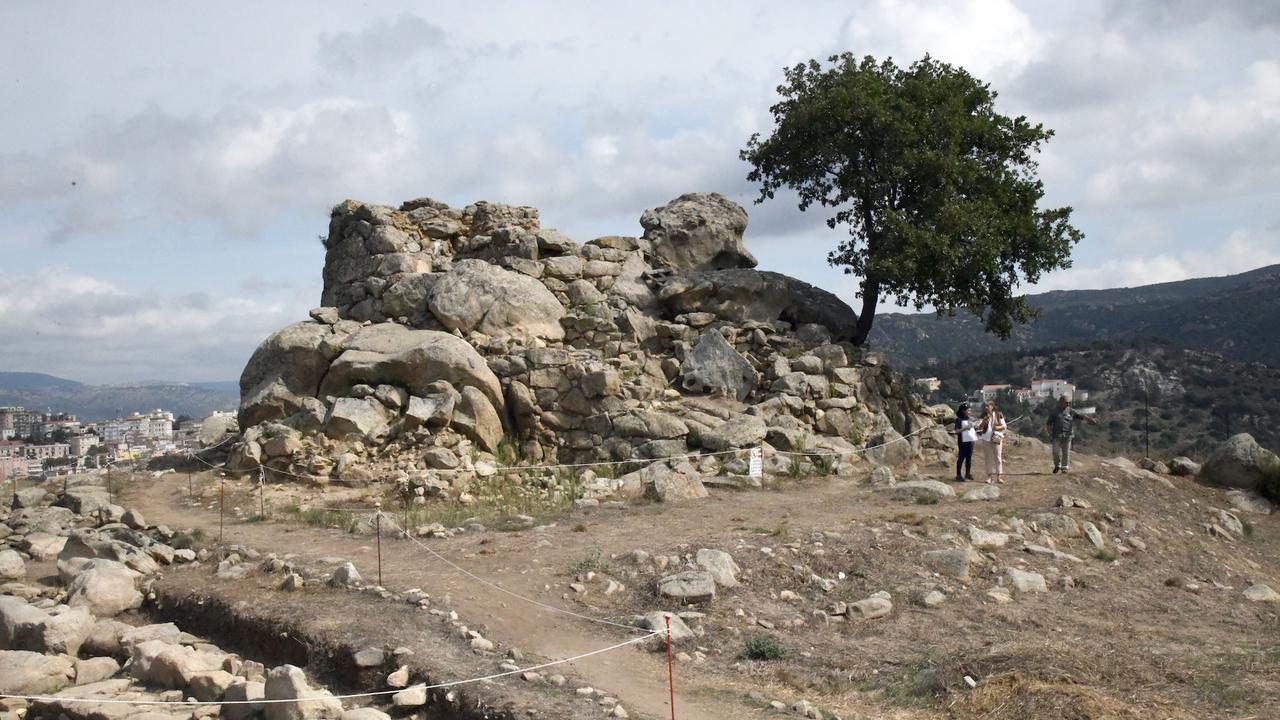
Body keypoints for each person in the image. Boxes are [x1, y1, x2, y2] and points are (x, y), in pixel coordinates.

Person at [1046, 394, 1096, 474]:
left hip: (1068, 435)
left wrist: (1089, 419)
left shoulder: (1071, 411)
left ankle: (1064, 468)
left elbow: (1080, 416)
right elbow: (1049, 424)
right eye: (1066, 402)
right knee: (1055, 452)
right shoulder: (1054, 412)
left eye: (1069, 402)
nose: (1068, 404)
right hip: (1056, 435)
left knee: (1066, 452)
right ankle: (1057, 465)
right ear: (1061, 402)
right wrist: (1050, 434)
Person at [976, 401, 1007, 484]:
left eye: (988, 406)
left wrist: (997, 427)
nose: (986, 407)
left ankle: (999, 477)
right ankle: (989, 477)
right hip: (986, 439)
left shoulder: (998, 414)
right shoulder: (983, 415)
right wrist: (984, 421)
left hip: (996, 437)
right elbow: (979, 427)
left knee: (998, 457)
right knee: (988, 458)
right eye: (985, 406)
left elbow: (1004, 426)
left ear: (992, 406)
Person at [954, 403, 977, 482]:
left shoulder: (969, 419)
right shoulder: (959, 420)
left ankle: (968, 473)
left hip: (970, 441)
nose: (969, 411)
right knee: (961, 457)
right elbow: (956, 431)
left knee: (969, 458)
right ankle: (958, 475)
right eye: (968, 410)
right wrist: (964, 428)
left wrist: (974, 425)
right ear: (963, 411)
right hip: (962, 441)